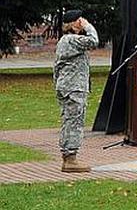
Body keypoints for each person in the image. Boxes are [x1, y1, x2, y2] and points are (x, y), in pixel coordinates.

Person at [53, 9, 98, 172]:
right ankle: (70, 158)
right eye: (80, 20)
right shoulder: (71, 40)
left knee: (70, 121)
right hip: (74, 88)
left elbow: (56, 69)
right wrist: (89, 26)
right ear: (73, 24)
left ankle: (68, 156)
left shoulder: (66, 41)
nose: (82, 22)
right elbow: (94, 41)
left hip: (68, 87)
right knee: (74, 122)